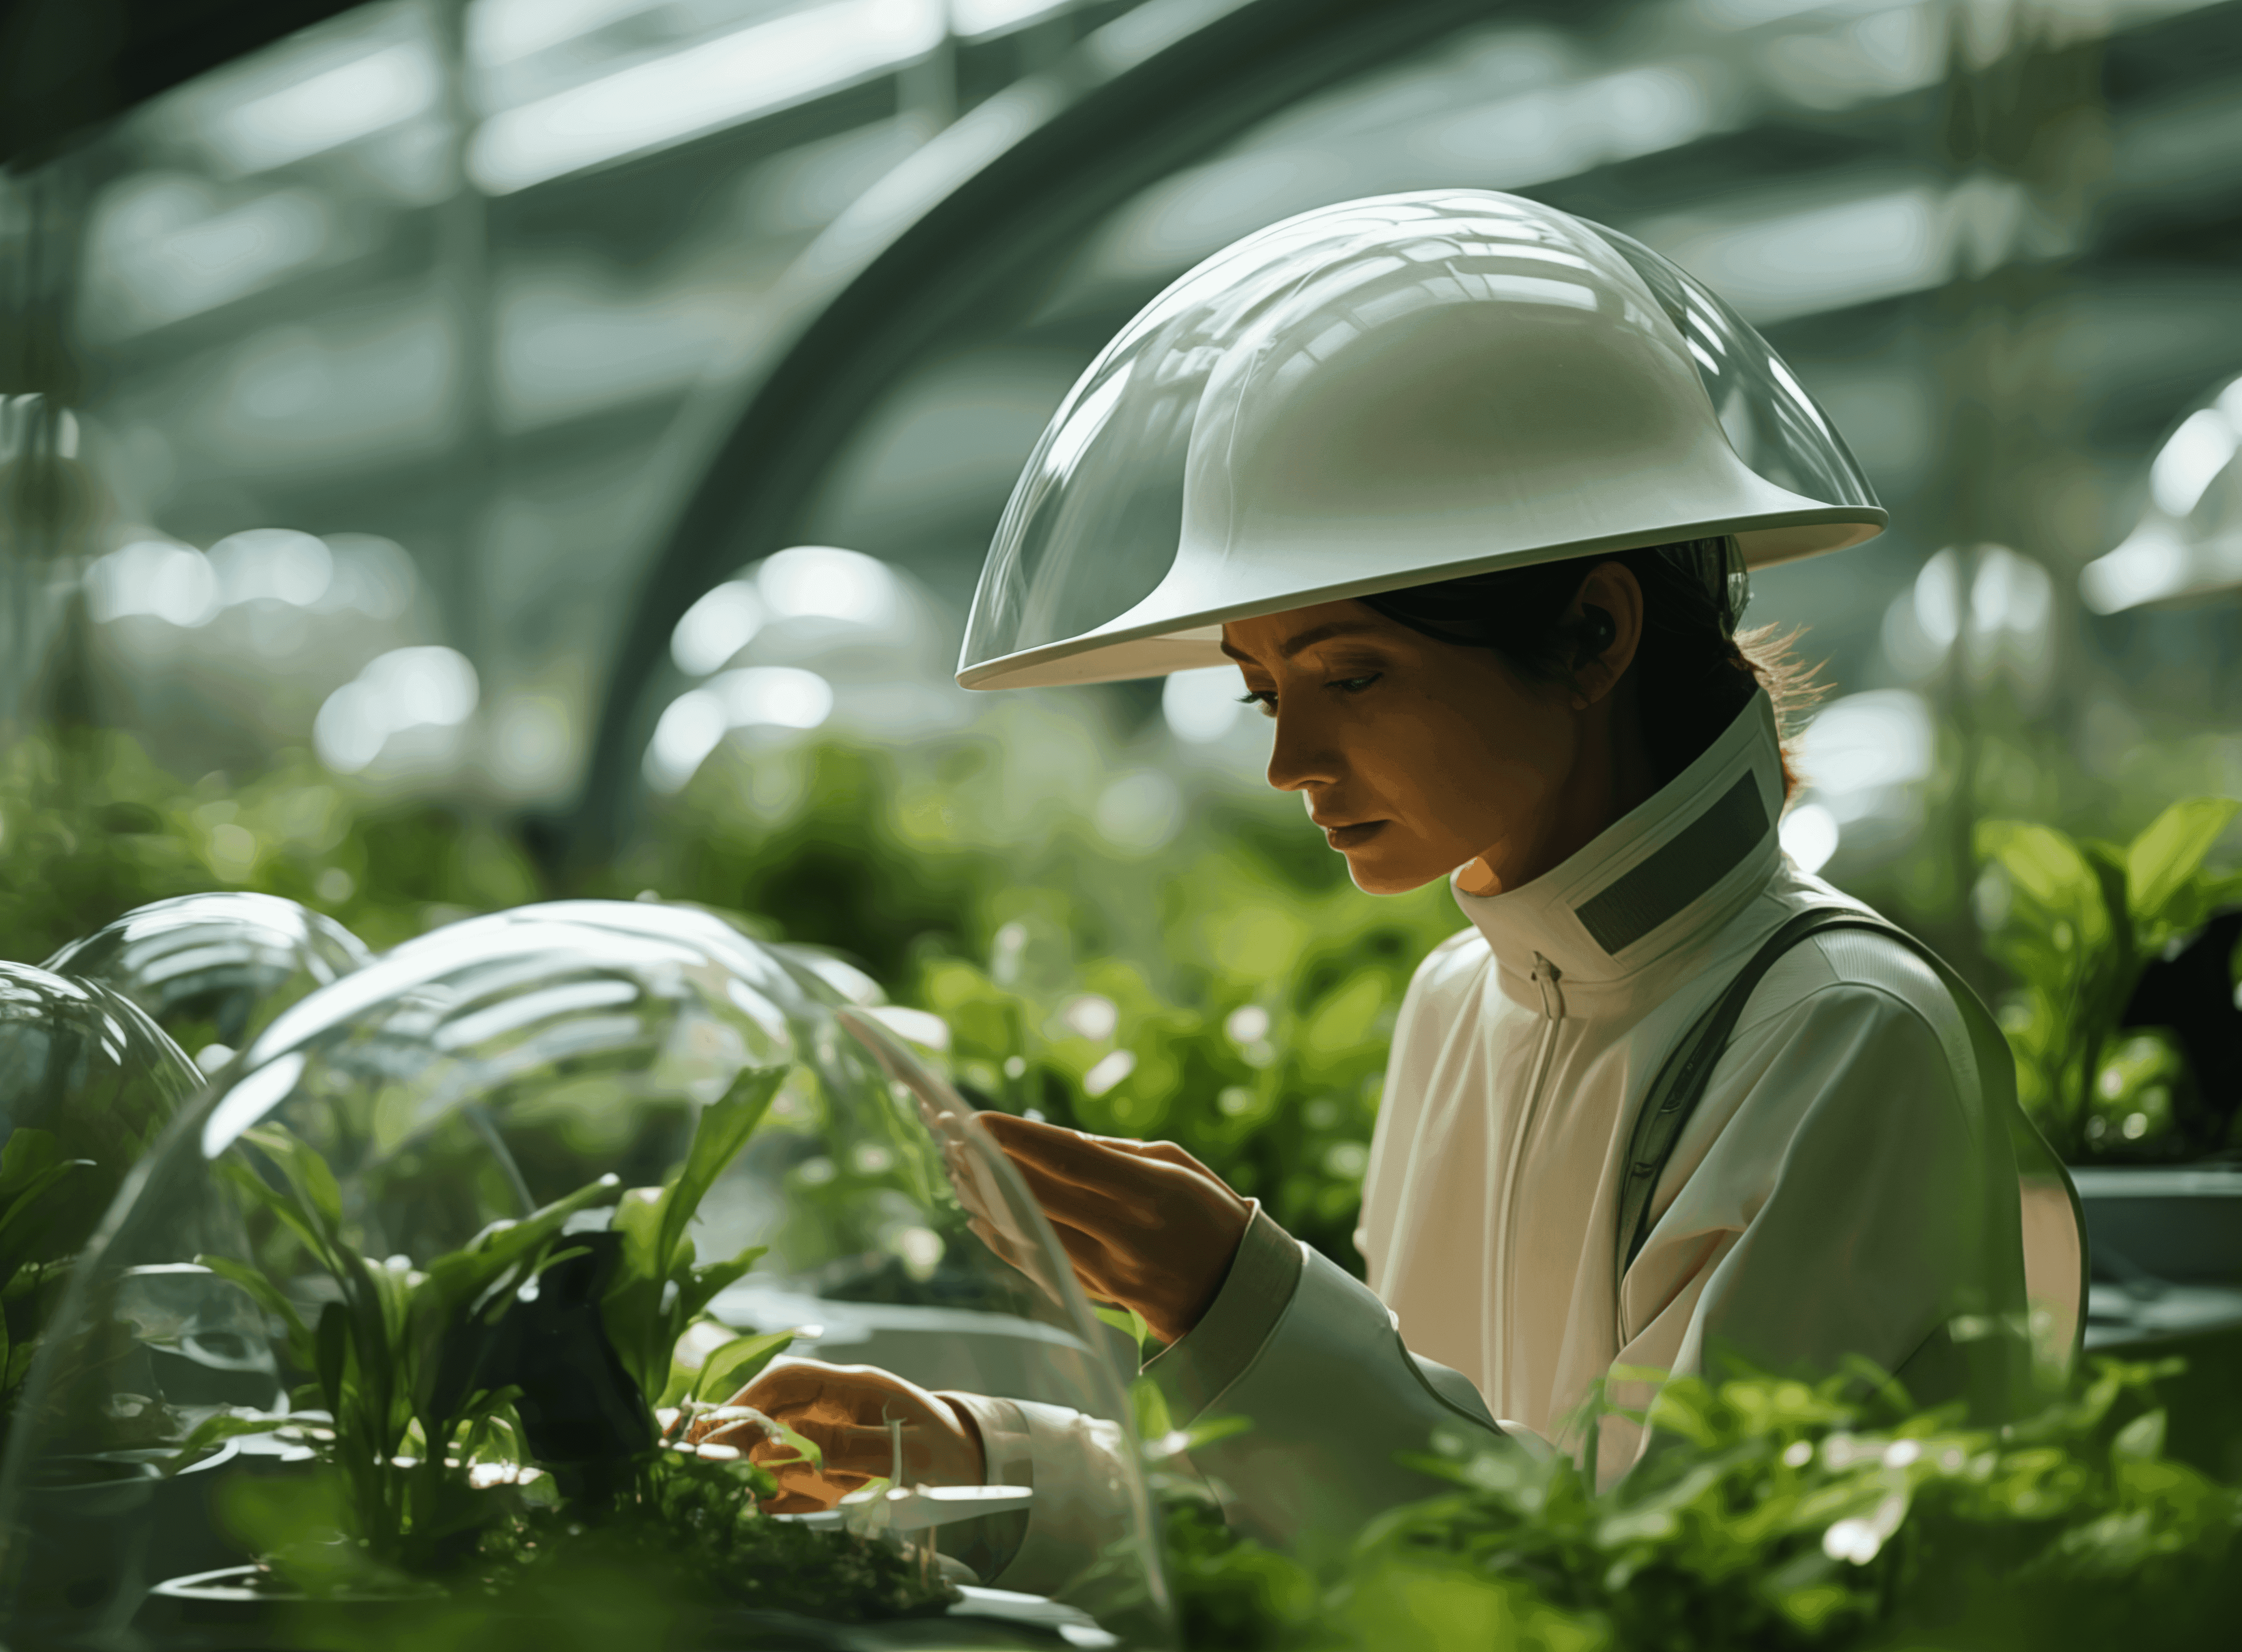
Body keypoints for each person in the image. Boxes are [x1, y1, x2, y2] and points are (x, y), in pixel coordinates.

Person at [696, 189, 2082, 1592]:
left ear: (1594, 632)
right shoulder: (1460, 1004)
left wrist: (1239, 1304)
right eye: (1263, 690)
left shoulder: (1842, 1034)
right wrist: (978, 1460)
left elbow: (1642, 1593)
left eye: (1351, 675)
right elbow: (1383, 1516)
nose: (1289, 759)